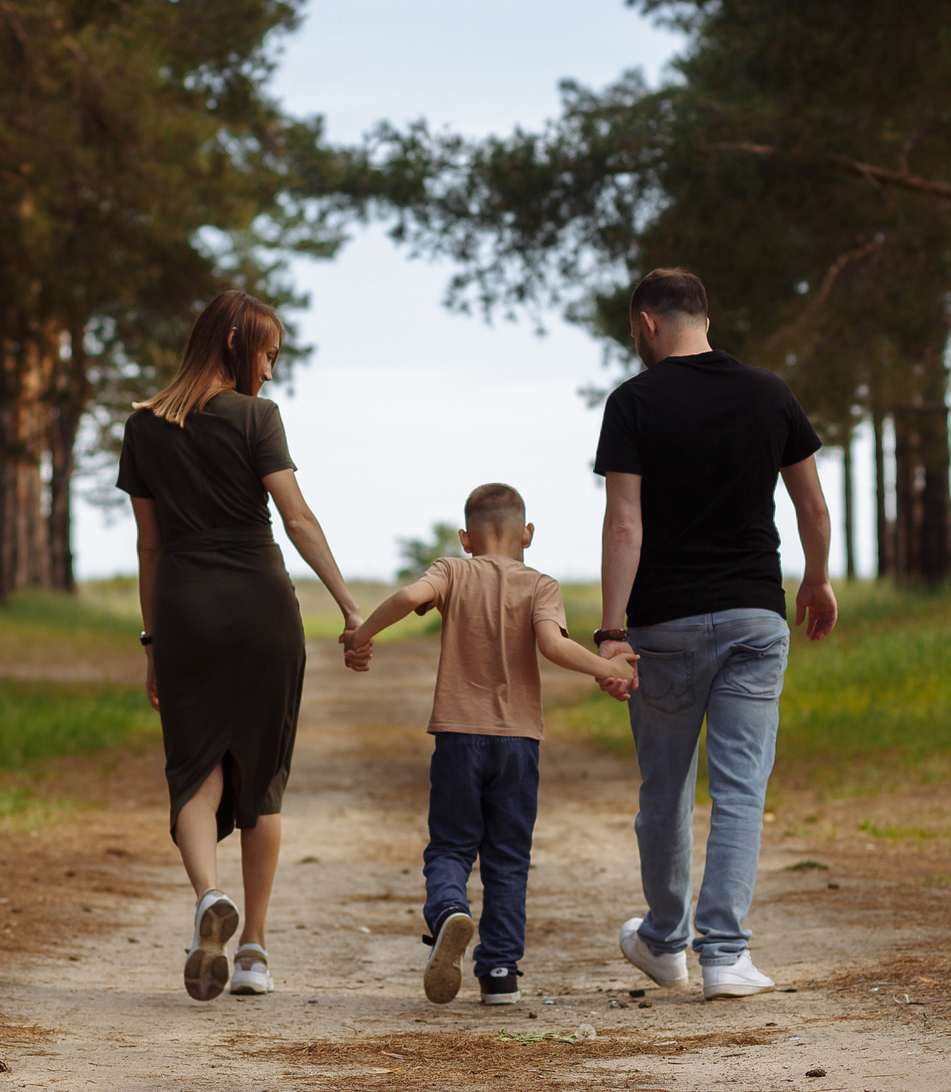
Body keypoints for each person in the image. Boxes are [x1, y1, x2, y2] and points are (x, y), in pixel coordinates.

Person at [591, 267, 837, 1000]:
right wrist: (817, 579)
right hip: (754, 619)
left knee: (665, 790)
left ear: (646, 323)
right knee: (740, 789)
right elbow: (812, 506)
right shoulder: (770, 392)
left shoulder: (633, 401)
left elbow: (625, 522)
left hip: (663, 624)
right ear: (705, 317)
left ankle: (665, 941)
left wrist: (611, 630)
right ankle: (725, 956)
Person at [117, 290, 367, 1001]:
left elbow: (149, 546)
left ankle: (208, 895)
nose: (271, 369)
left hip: (185, 611)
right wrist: (349, 604)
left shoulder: (143, 425)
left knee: (194, 773)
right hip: (263, 608)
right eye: (269, 353)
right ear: (235, 340)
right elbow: (297, 518)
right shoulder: (259, 418)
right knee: (261, 782)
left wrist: (153, 642)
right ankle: (253, 947)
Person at [343, 482, 635, 1006]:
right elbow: (553, 645)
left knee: (452, 846)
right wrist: (608, 669)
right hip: (518, 743)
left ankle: (449, 911)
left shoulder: (452, 571)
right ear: (527, 534)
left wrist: (361, 636)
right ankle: (500, 971)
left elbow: (409, 598)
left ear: (465, 538)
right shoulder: (540, 585)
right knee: (508, 856)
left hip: (458, 737)